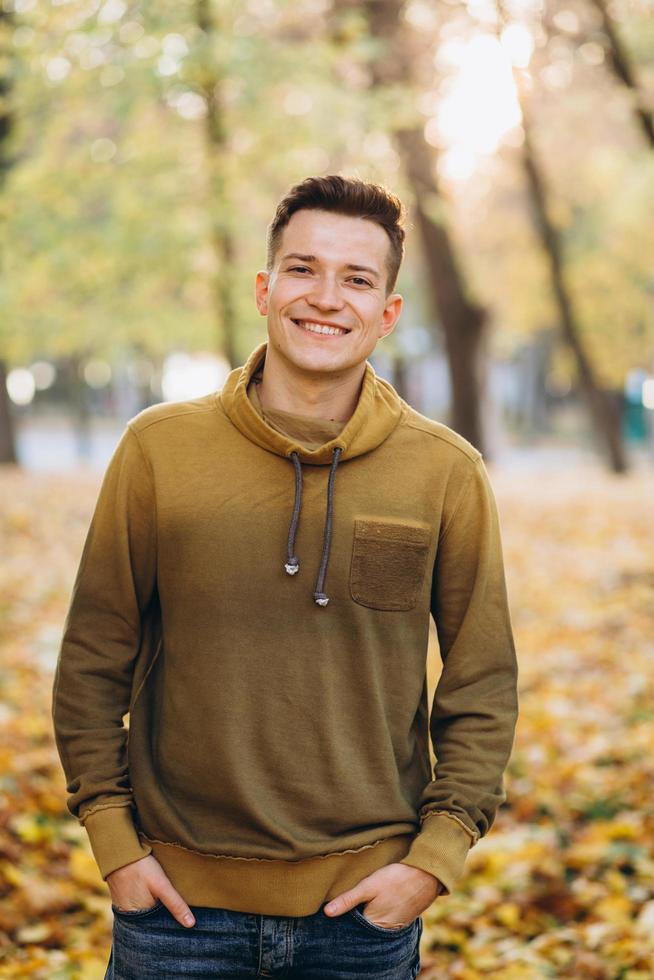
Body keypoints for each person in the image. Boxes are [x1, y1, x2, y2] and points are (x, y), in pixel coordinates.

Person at [52, 175, 519, 980]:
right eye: (304, 270)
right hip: (175, 911)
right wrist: (115, 845)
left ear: (388, 312)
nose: (327, 298)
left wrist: (434, 859)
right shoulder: (158, 450)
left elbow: (481, 681)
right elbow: (94, 659)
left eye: (358, 279)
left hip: (361, 915)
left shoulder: (445, 472)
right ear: (267, 290)